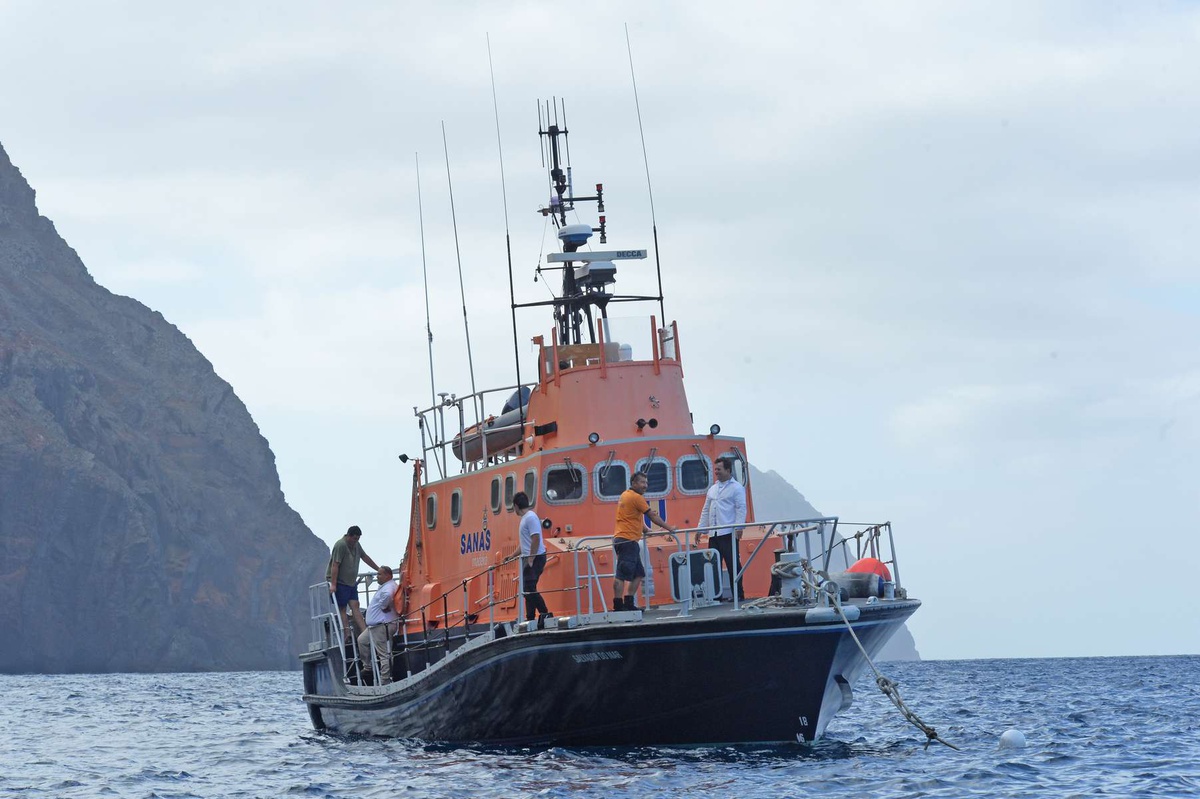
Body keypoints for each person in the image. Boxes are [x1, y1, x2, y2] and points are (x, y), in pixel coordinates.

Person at [613, 471, 677, 612]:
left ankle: (628, 603)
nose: (645, 485)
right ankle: (618, 607)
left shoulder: (625, 495)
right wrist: (669, 528)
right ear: (634, 483)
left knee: (638, 573)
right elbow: (652, 515)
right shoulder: (636, 497)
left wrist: (648, 531)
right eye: (642, 482)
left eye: (646, 483)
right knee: (621, 575)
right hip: (627, 540)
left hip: (627, 540)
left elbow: (633, 518)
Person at [695, 456, 748, 601]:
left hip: (728, 532)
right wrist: (700, 529)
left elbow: (741, 508)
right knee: (713, 565)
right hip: (714, 533)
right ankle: (716, 596)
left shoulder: (736, 488)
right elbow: (706, 510)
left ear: (728, 470)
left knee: (733, 565)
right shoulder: (712, 489)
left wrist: (738, 527)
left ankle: (738, 594)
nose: (716, 472)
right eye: (715, 469)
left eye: (719, 469)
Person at [327, 525, 381, 637]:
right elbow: (335, 565)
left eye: (358, 539)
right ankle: (347, 633)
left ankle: (365, 632)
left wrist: (378, 569)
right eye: (354, 539)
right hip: (340, 581)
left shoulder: (357, 545)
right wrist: (333, 584)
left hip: (351, 582)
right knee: (342, 607)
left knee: (355, 605)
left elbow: (365, 557)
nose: (355, 541)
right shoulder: (340, 545)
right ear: (349, 536)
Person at [356, 565, 401, 684]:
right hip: (373, 626)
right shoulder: (385, 586)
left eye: (380, 574)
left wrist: (383, 606)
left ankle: (385, 680)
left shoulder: (389, 587)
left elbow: (387, 596)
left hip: (382, 625)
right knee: (362, 640)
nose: (377, 577)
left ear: (387, 575)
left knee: (384, 654)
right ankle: (368, 667)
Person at [514, 492, 552, 628]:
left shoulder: (530, 518)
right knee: (528, 588)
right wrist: (512, 555)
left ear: (516, 506)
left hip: (536, 557)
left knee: (528, 587)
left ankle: (545, 613)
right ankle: (530, 617)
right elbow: (525, 542)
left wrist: (531, 558)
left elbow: (535, 538)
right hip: (530, 557)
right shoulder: (525, 519)